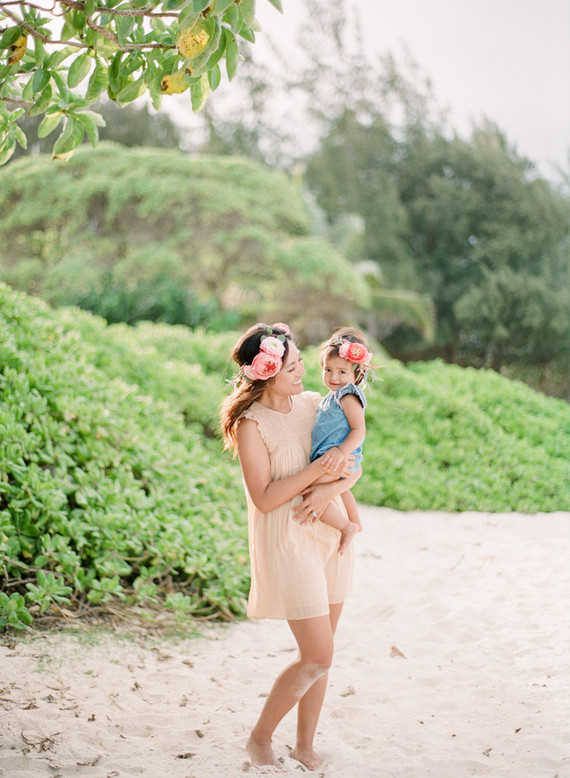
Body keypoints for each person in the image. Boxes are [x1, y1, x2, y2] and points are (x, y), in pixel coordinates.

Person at [220, 322, 361, 772]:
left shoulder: (314, 405)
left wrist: (328, 493)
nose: (304, 374)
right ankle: (260, 738)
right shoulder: (250, 425)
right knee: (318, 654)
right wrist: (317, 474)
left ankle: (304, 745)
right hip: (288, 538)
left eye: (302, 364)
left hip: (328, 532)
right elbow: (264, 497)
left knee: (323, 656)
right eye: (294, 368)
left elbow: (352, 463)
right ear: (266, 372)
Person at [310, 327, 373, 555]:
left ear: (357, 374)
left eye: (342, 372)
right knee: (342, 491)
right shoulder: (332, 396)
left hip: (341, 457)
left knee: (312, 489)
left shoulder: (348, 395)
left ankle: (346, 527)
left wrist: (340, 452)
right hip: (333, 456)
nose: (333, 377)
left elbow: (359, 430)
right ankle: (355, 521)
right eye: (328, 370)